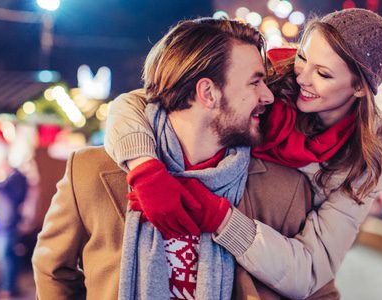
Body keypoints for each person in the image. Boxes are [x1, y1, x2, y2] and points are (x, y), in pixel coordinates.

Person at [106, 8, 382, 298]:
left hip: (259, 264)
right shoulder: (271, 83)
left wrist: (221, 218)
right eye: (302, 57)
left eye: (324, 74)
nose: (302, 78)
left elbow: (312, 271)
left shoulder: (363, 163)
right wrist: (145, 169)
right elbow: (143, 103)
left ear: (358, 88)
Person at [32, 17, 338, 300]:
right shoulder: (89, 172)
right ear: (208, 92)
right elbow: (52, 270)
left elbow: (318, 292)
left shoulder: (285, 190)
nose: (267, 96)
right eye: (254, 82)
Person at [0, 156, 29, 299]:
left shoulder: (16, 179)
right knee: (10, 256)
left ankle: (6, 290)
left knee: (4, 256)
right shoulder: (17, 178)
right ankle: (10, 288)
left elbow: (1, 188)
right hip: (7, 223)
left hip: (8, 223)